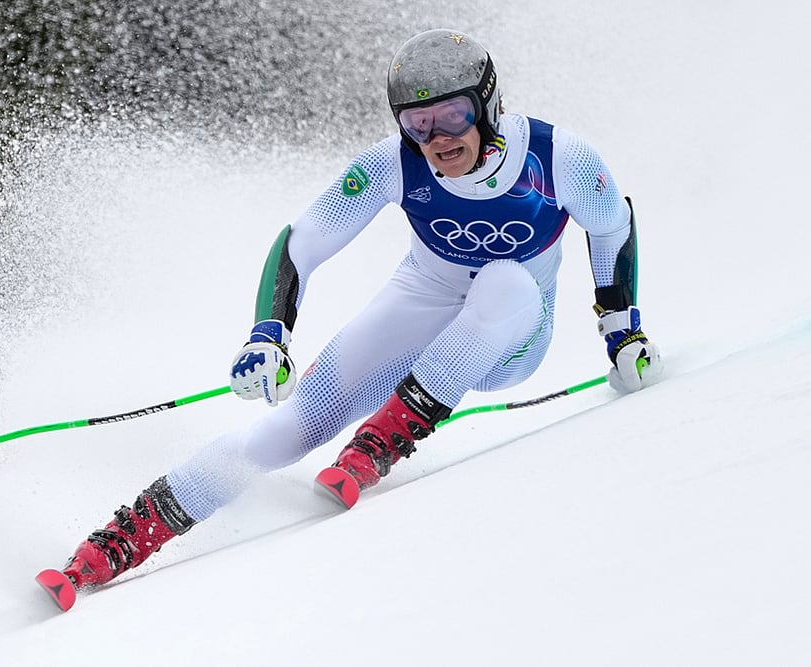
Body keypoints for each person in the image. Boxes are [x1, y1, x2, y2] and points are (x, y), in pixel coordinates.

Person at [40, 28, 662, 602]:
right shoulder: (394, 161)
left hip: (513, 334)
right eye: (420, 122)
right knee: (284, 431)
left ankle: (376, 446)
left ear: (489, 104)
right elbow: (301, 242)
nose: (439, 138)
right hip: (425, 300)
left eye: (454, 114)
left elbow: (612, 225)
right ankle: (111, 549)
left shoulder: (558, 157)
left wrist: (621, 331)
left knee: (504, 282)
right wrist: (269, 335)